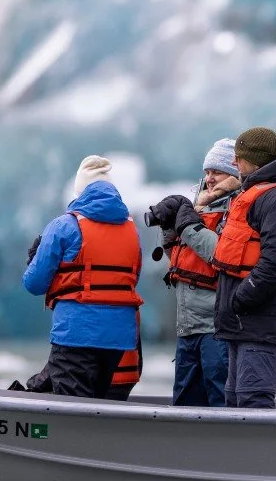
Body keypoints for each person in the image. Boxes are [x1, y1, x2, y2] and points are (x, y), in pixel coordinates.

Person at [210, 126, 276, 409]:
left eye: (239, 157)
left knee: (252, 400)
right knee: (235, 398)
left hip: (260, 318)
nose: (234, 163)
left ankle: (257, 454)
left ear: (255, 161)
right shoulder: (260, 193)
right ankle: (237, 455)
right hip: (244, 320)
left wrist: (242, 297)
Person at [22, 155, 143, 398]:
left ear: (80, 191)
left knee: (72, 413)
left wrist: (35, 259)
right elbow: (130, 279)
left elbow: (33, 283)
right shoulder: (132, 230)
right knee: (96, 409)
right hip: (118, 339)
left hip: (76, 334)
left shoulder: (63, 226)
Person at [146, 138, 242, 407]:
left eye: (217, 172)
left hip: (216, 328)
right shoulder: (198, 206)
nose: (210, 179)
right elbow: (180, 259)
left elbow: (222, 256)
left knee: (219, 401)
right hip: (188, 327)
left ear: (234, 173)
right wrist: (169, 226)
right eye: (207, 172)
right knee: (186, 404)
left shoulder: (238, 209)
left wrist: (188, 225)